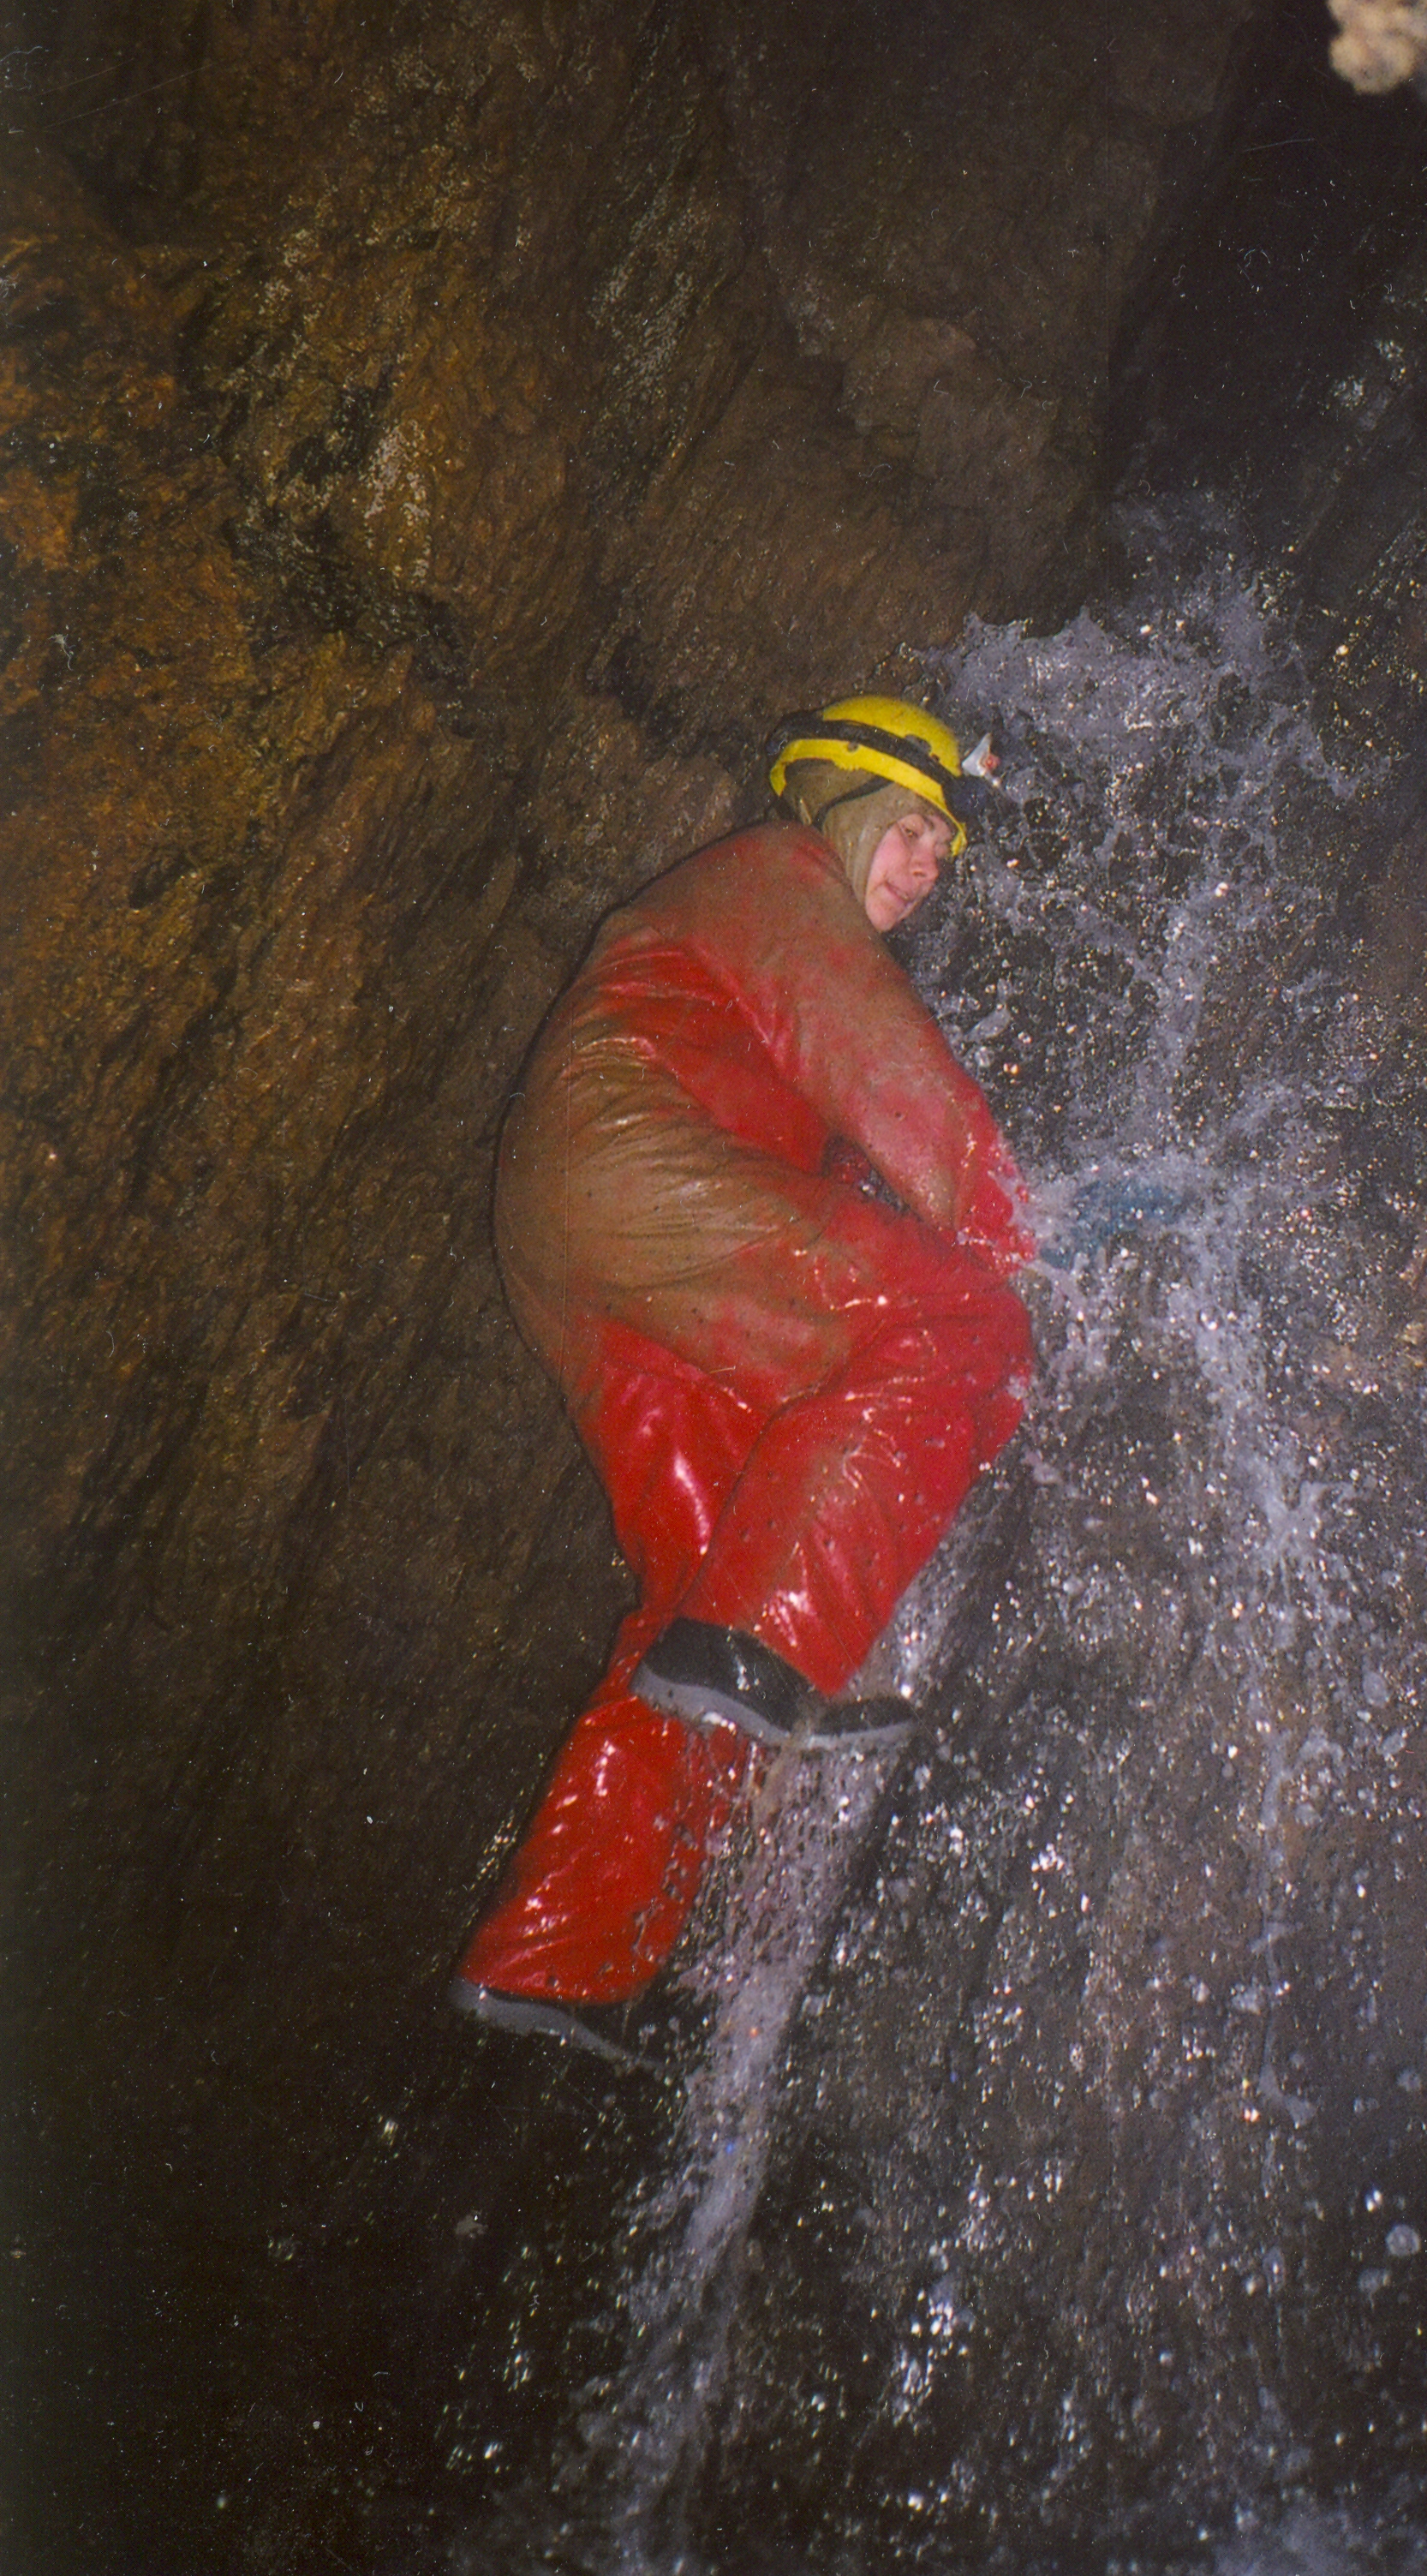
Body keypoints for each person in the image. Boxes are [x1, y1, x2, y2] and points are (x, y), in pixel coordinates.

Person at [450, 697, 1035, 2060]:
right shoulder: (780, 876)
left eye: (945, 850)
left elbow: (831, 1165)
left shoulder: (739, 927)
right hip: (630, 1165)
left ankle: (559, 1953)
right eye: (915, 827)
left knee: (707, 1582)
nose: (930, 864)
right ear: (840, 800)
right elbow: (902, 1086)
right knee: (965, 1325)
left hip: (589, 1236)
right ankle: (770, 1645)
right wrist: (1033, 1262)